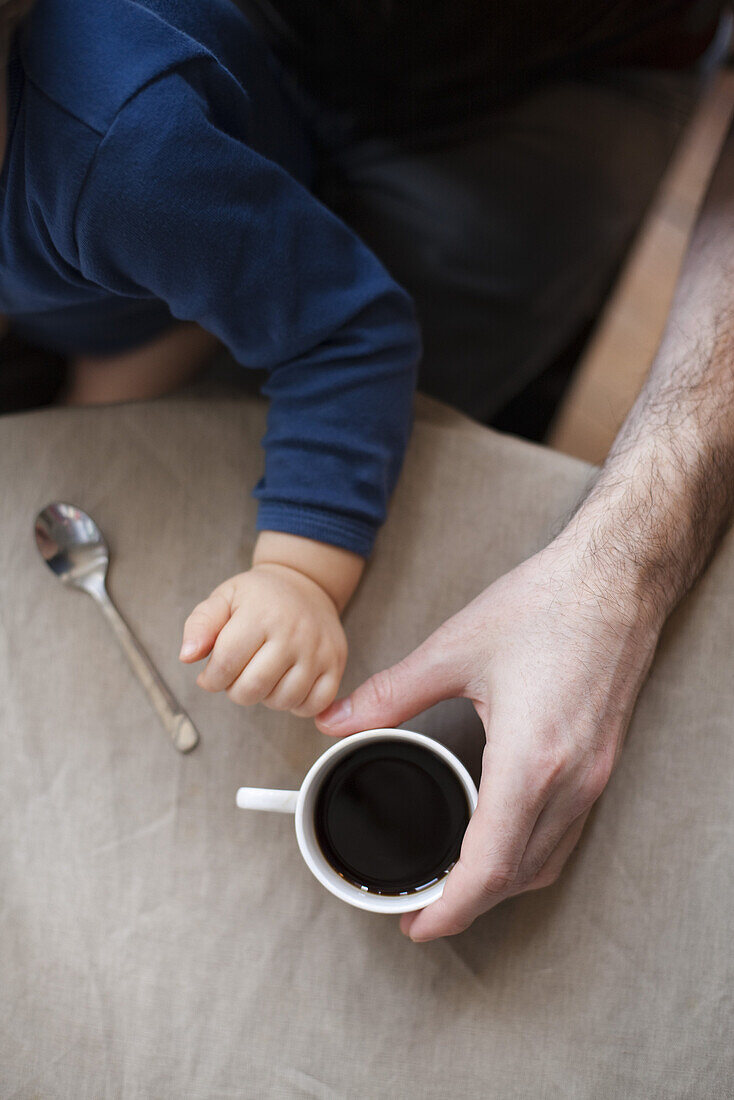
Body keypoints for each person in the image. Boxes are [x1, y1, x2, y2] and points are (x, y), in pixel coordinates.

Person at [0, 0, 421, 717]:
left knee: (86, 470)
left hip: (166, 297)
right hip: (72, 289)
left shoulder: (129, 164)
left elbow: (346, 331)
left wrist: (298, 578)